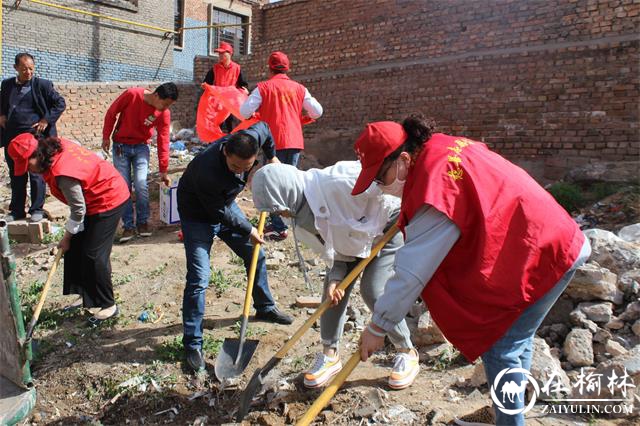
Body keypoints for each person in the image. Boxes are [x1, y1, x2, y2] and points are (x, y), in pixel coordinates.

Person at [353, 115, 591, 426]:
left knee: (500, 344)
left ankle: (509, 421)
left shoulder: (433, 184)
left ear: (403, 160)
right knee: (516, 340)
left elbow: (412, 271)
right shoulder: (440, 148)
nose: (381, 188)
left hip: (545, 250)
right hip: (553, 239)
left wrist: (377, 327)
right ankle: (505, 414)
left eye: (379, 179)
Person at [252, 162, 420, 389]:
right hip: (350, 240)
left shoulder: (340, 185)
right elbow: (334, 248)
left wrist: (373, 239)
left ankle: (406, 350)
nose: (279, 214)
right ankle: (330, 355)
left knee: (373, 289)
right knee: (332, 293)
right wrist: (334, 278)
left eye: (277, 208)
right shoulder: (300, 212)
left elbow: (386, 194)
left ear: (286, 190)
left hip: (385, 228)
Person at [177, 121, 293, 372]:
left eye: (247, 166)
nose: (240, 171)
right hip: (199, 215)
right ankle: (192, 344)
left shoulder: (252, 137)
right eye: (234, 166)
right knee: (199, 279)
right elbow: (217, 212)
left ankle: (265, 308)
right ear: (224, 152)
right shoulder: (206, 169)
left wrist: (272, 158)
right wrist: (248, 228)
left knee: (256, 256)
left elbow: (266, 127)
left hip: (225, 204)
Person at [8, 133, 129, 323]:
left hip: (108, 198)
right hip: (91, 198)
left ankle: (108, 304)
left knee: (93, 254)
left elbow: (78, 210)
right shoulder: (53, 148)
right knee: (76, 248)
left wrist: (66, 236)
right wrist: (71, 238)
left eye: (27, 164)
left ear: (37, 155)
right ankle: (88, 298)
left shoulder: (62, 172)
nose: (28, 170)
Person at [240, 51, 323, 242]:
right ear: (288, 68)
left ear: (269, 68)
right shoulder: (299, 88)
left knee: (272, 184)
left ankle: (278, 227)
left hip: (272, 143)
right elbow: (317, 112)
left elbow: (244, 112)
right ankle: (295, 222)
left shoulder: (264, 88)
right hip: (294, 140)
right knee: (290, 183)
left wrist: (255, 112)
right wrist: (301, 116)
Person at [102, 82, 178, 242]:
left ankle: (143, 223)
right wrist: (106, 136)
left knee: (141, 184)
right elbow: (111, 112)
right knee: (123, 186)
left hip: (141, 147)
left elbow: (163, 139)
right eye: (165, 104)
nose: (165, 108)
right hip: (121, 146)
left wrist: (164, 169)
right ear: (156, 95)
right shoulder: (132, 95)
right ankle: (128, 226)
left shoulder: (164, 113)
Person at [0, 52, 66, 223]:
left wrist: (46, 119)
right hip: (13, 139)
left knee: (36, 173)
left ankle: (36, 209)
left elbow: (60, 103)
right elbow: (1, 104)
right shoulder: (7, 85)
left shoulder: (42, 85)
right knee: (16, 174)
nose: (28, 72)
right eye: (24, 69)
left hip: (35, 138)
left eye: (30, 69)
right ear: (15, 68)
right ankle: (17, 211)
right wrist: (1, 115)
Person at [202, 41, 249, 133]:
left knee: (230, 124)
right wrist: (205, 85)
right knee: (217, 124)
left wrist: (244, 89)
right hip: (218, 102)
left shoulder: (237, 68)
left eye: (222, 53)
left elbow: (242, 83)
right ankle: (215, 143)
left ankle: (230, 142)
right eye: (219, 53)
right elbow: (207, 82)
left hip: (230, 103)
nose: (219, 55)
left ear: (229, 54)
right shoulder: (215, 68)